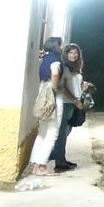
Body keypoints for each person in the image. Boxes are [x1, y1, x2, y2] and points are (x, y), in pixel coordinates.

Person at [29, 37, 80, 176]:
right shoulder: (56, 59)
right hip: (53, 98)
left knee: (42, 133)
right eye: (60, 44)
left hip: (42, 96)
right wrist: (55, 86)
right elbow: (55, 73)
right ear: (56, 46)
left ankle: (35, 165)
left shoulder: (45, 59)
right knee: (53, 133)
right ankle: (41, 166)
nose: (62, 46)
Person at [49, 43, 89, 170]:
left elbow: (75, 84)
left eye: (75, 52)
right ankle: (59, 161)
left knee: (67, 131)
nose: (73, 55)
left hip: (73, 103)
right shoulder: (64, 67)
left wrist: (83, 86)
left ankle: (57, 156)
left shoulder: (75, 68)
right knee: (62, 132)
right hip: (66, 103)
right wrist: (75, 100)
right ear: (65, 54)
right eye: (70, 52)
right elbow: (63, 88)